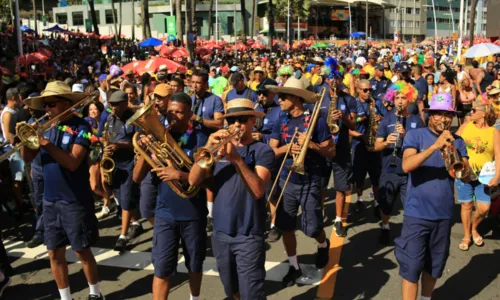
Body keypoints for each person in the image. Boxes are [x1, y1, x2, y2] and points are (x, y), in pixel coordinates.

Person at [20, 81, 104, 300]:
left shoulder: (83, 128)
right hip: (50, 200)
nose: (46, 109)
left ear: (66, 104)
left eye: (51, 104)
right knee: (54, 253)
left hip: (74, 200)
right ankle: (65, 297)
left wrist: (45, 143)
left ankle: (95, 293)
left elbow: (73, 162)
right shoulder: (45, 126)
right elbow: (27, 158)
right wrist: (24, 140)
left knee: (81, 251)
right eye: (44, 105)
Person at [188, 99, 273, 300]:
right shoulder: (217, 151)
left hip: (249, 234)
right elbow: (192, 180)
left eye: (242, 119)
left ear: (253, 120)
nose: (237, 125)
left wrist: (236, 159)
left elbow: (259, 190)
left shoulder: (263, 151)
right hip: (220, 234)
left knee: (251, 294)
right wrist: (208, 148)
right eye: (233, 120)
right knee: (231, 290)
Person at [133, 92, 207, 300]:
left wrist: (180, 175)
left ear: (190, 114)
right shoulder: (159, 138)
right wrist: (145, 152)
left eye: (179, 112)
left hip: (193, 211)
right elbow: (137, 178)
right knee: (162, 268)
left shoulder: (201, 138)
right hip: (165, 212)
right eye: (170, 111)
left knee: (194, 264)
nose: (173, 115)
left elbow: (208, 179)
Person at [396, 93, 469, 300]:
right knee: (411, 267)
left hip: (443, 214)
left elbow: (465, 177)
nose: (443, 119)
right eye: (438, 114)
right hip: (416, 214)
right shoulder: (415, 136)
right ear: (430, 115)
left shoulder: (458, 141)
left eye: (447, 115)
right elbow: (407, 165)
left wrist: (457, 158)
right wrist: (435, 147)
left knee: (434, 265)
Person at [267, 77, 335, 287]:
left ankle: (323, 243)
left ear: (295, 99)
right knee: (286, 226)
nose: (279, 101)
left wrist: (312, 146)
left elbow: (330, 151)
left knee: (312, 228)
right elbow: (271, 151)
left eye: (283, 97)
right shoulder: (282, 120)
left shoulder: (317, 120)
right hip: (288, 180)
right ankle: (294, 266)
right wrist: (287, 149)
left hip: (310, 180)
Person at [373, 81, 425, 245]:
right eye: (397, 98)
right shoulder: (386, 119)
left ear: (410, 99)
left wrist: (407, 134)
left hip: (410, 171)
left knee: (411, 205)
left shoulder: (417, 121)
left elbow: (423, 147)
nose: (400, 101)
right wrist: (387, 142)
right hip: (389, 168)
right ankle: (385, 227)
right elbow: (376, 146)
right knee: (386, 205)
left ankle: (410, 233)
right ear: (393, 100)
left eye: (404, 98)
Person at [455, 100, 500, 250]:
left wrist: (497, 176)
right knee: (467, 205)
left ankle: (474, 227)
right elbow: (451, 144)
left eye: (474, 111)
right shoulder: (466, 126)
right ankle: (467, 235)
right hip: (465, 173)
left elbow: (499, 155)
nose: (470, 113)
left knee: (484, 208)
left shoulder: (494, 132)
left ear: (484, 113)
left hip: (485, 175)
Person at [105, 90, 143, 252]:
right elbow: (104, 136)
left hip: (129, 163)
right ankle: (136, 222)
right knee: (121, 197)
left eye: (116, 104)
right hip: (115, 164)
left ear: (125, 103)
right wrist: (105, 146)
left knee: (126, 199)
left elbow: (139, 142)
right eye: (111, 105)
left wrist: (120, 145)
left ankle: (122, 236)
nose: (113, 108)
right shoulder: (110, 119)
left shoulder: (134, 120)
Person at [350, 80, 385, 213]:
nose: (368, 92)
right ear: (358, 90)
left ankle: (376, 202)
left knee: (376, 175)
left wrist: (380, 119)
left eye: (370, 90)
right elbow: (348, 128)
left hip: (374, 144)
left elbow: (387, 118)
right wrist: (361, 136)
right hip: (359, 144)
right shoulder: (353, 104)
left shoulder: (377, 102)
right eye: (365, 90)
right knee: (359, 176)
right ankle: (359, 199)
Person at [1, 87, 25, 218]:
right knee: (18, 177)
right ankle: (18, 204)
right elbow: (8, 135)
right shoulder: (7, 113)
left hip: (17, 147)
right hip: (13, 150)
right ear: (15, 97)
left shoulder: (14, 110)